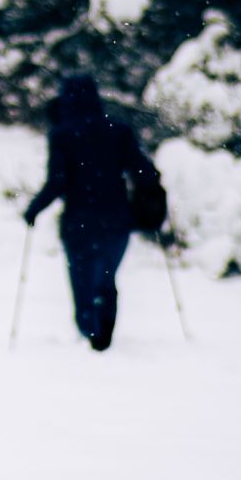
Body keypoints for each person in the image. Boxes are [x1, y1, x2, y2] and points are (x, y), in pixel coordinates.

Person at [23, 74, 160, 352]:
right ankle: (104, 326)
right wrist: (151, 199)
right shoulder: (118, 131)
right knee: (106, 275)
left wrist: (34, 208)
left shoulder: (62, 134)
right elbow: (144, 172)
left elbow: (57, 181)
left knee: (82, 275)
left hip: (79, 219)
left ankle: (89, 326)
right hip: (116, 218)